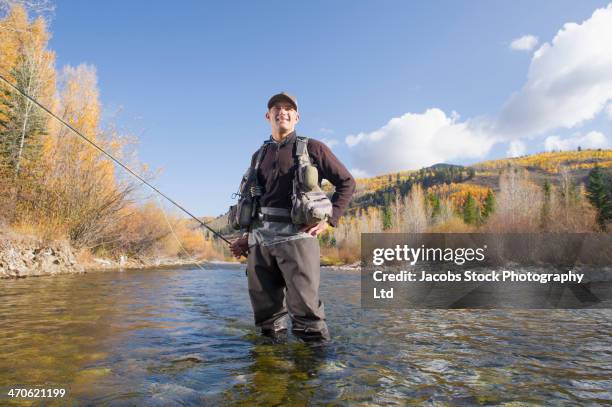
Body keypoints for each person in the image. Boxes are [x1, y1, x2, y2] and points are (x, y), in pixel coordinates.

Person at [230, 92, 355, 342]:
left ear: (297, 117)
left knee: (307, 314)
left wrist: (329, 220)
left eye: (288, 108)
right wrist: (245, 237)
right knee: (266, 319)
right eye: (276, 108)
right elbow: (253, 201)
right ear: (268, 116)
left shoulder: (314, 148)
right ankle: (269, 371)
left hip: (298, 237)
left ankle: (311, 374)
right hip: (260, 243)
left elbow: (347, 183)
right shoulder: (258, 156)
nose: (282, 111)